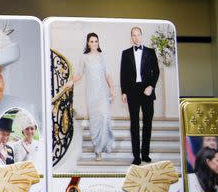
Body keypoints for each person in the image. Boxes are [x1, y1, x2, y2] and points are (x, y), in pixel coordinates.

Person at [65, 32, 115, 161]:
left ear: (98, 42)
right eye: (91, 41)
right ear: (88, 43)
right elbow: (80, 75)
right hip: (92, 94)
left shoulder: (103, 56)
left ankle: (104, 144)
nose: (94, 43)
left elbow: (108, 74)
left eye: (96, 41)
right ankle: (98, 149)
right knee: (95, 121)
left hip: (103, 92)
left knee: (105, 117)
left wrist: (112, 89)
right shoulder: (84, 57)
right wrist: (71, 81)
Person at [120, 26, 160, 165]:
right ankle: (136, 156)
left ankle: (145, 154)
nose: (136, 37)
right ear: (131, 37)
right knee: (134, 124)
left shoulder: (150, 52)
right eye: (133, 35)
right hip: (132, 91)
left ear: (142, 36)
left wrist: (152, 86)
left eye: (138, 35)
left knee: (147, 123)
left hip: (147, 91)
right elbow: (123, 74)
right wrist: (124, 92)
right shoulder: (125, 53)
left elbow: (156, 71)